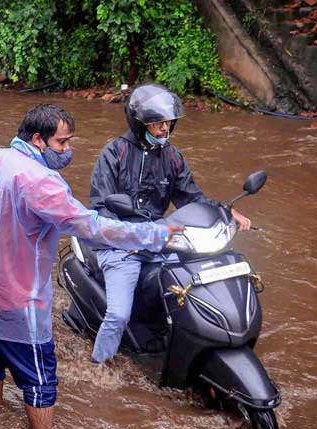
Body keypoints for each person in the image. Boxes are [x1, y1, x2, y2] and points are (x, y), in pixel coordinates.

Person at [0, 104, 184, 429]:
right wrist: (153, 234)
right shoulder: (41, 181)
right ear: (38, 139)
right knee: (40, 380)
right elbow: (90, 227)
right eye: (62, 143)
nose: (67, 150)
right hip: (21, 299)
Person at [88, 84, 252, 364]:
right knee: (118, 315)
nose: (165, 129)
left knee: (199, 281)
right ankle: (98, 365)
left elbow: (192, 198)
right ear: (140, 124)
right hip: (119, 245)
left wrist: (227, 210)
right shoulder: (114, 154)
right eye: (157, 123)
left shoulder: (173, 157)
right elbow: (102, 207)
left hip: (160, 239)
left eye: (168, 123)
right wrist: (129, 239)